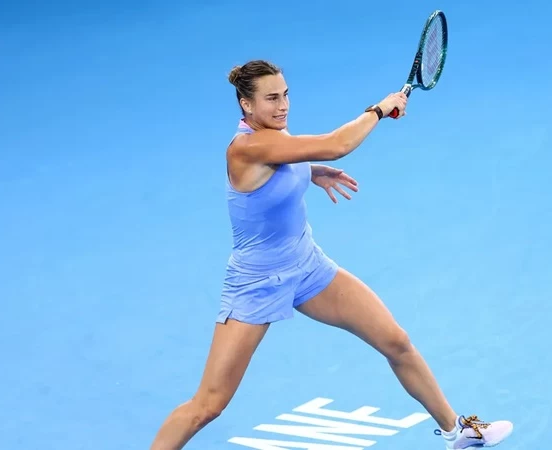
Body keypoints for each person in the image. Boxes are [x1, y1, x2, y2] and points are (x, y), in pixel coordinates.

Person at [149, 60, 513, 450]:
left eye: (285, 94)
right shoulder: (248, 147)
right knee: (208, 406)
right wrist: (379, 109)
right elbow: (338, 144)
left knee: (396, 341)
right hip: (257, 283)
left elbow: (283, 164)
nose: (282, 106)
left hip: (307, 267)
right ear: (246, 105)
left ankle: (457, 431)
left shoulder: (273, 135)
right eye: (271, 99)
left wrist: (309, 171)